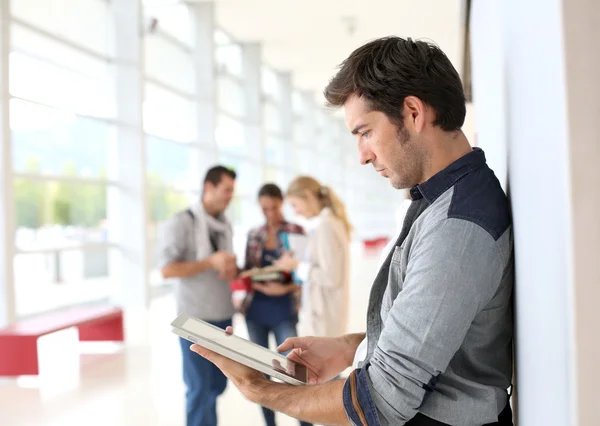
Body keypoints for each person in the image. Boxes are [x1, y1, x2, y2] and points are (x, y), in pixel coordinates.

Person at [189, 36, 514, 426]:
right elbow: (438, 334)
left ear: (412, 112)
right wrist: (349, 348)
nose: (362, 155)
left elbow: (382, 399)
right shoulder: (441, 202)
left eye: (364, 132)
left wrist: (261, 390)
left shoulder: (457, 226)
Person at [159, 165, 238, 426]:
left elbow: (221, 265)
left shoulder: (225, 224)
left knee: (217, 385)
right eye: (226, 191)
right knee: (199, 388)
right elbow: (167, 269)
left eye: (232, 192)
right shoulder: (182, 222)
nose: (230, 197)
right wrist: (209, 262)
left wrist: (230, 268)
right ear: (209, 188)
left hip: (222, 313)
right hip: (194, 317)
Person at [242, 183, 309, 426]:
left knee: (292, 370)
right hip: (256, 309)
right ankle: (269, 423)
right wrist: (256, 281)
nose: (270, 213)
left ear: (282, 203)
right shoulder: (254, 234)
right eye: (264, 209)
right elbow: (247, 270)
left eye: (274, 207)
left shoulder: (295, 231)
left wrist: (286, 288)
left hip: (283, 307)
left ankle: (305, 421)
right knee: (261, 373)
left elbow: (304, 273)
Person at [274, 176, 352, 340]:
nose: (296, 211)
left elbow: (330, 277)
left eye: (295, 205)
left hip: (324, 318)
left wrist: (296, 265)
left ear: (308, 196)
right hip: (325, 316)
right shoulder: (327, 224)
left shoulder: (326, 226)